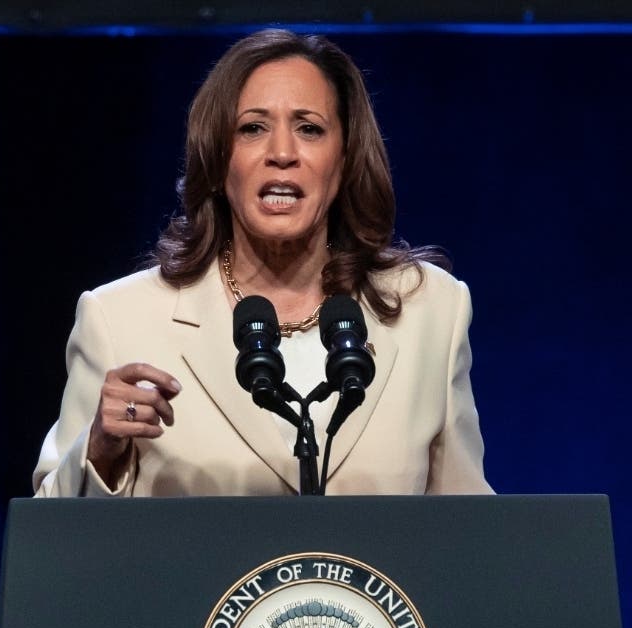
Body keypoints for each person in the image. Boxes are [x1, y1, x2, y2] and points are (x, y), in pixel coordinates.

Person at [33, 29, 493, 497]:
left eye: (309, 128)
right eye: (252, 128)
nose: (282, 154)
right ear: (218, 159)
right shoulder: (120, 319)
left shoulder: (431, 310)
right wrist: (99, 451)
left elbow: (469, 523)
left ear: (345, 157)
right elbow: (49, 528)